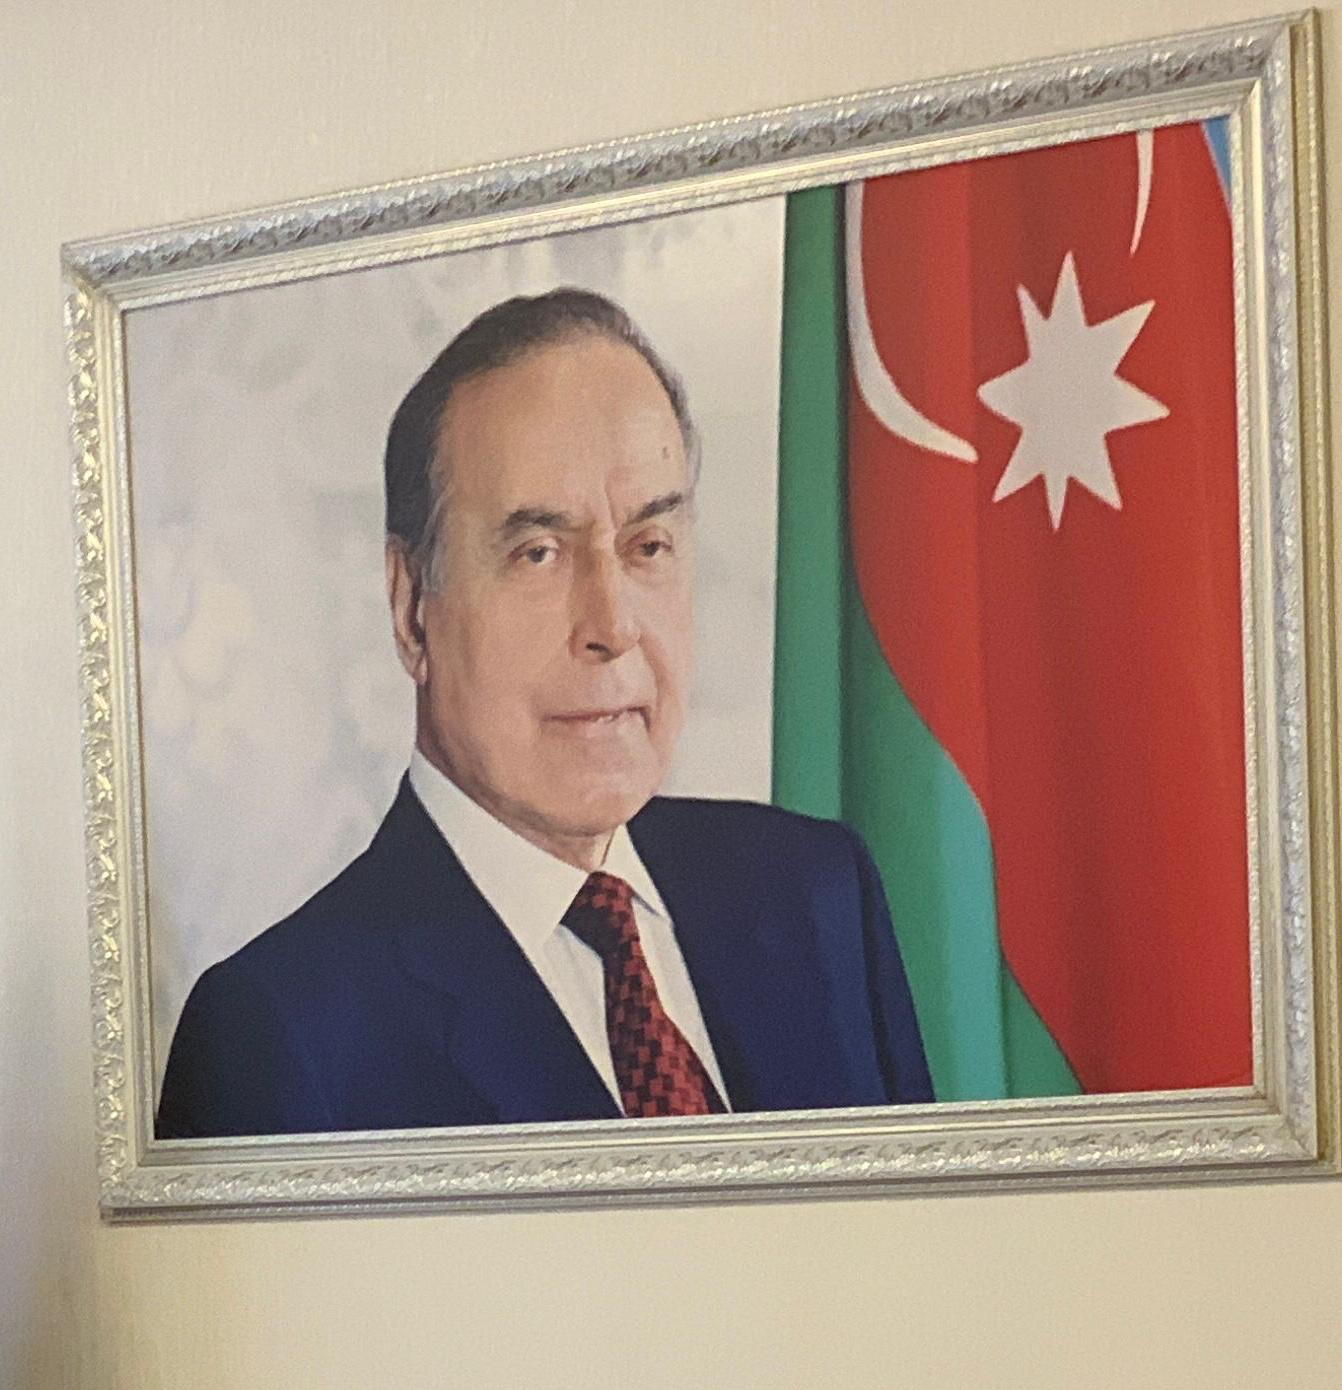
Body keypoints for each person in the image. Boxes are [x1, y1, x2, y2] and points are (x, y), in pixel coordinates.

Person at [158, 285, 931, 1138]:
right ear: (411, 608)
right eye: (537, 553)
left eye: (647, 545)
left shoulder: (818, 895)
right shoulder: (277, 1038)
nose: (612, 625)